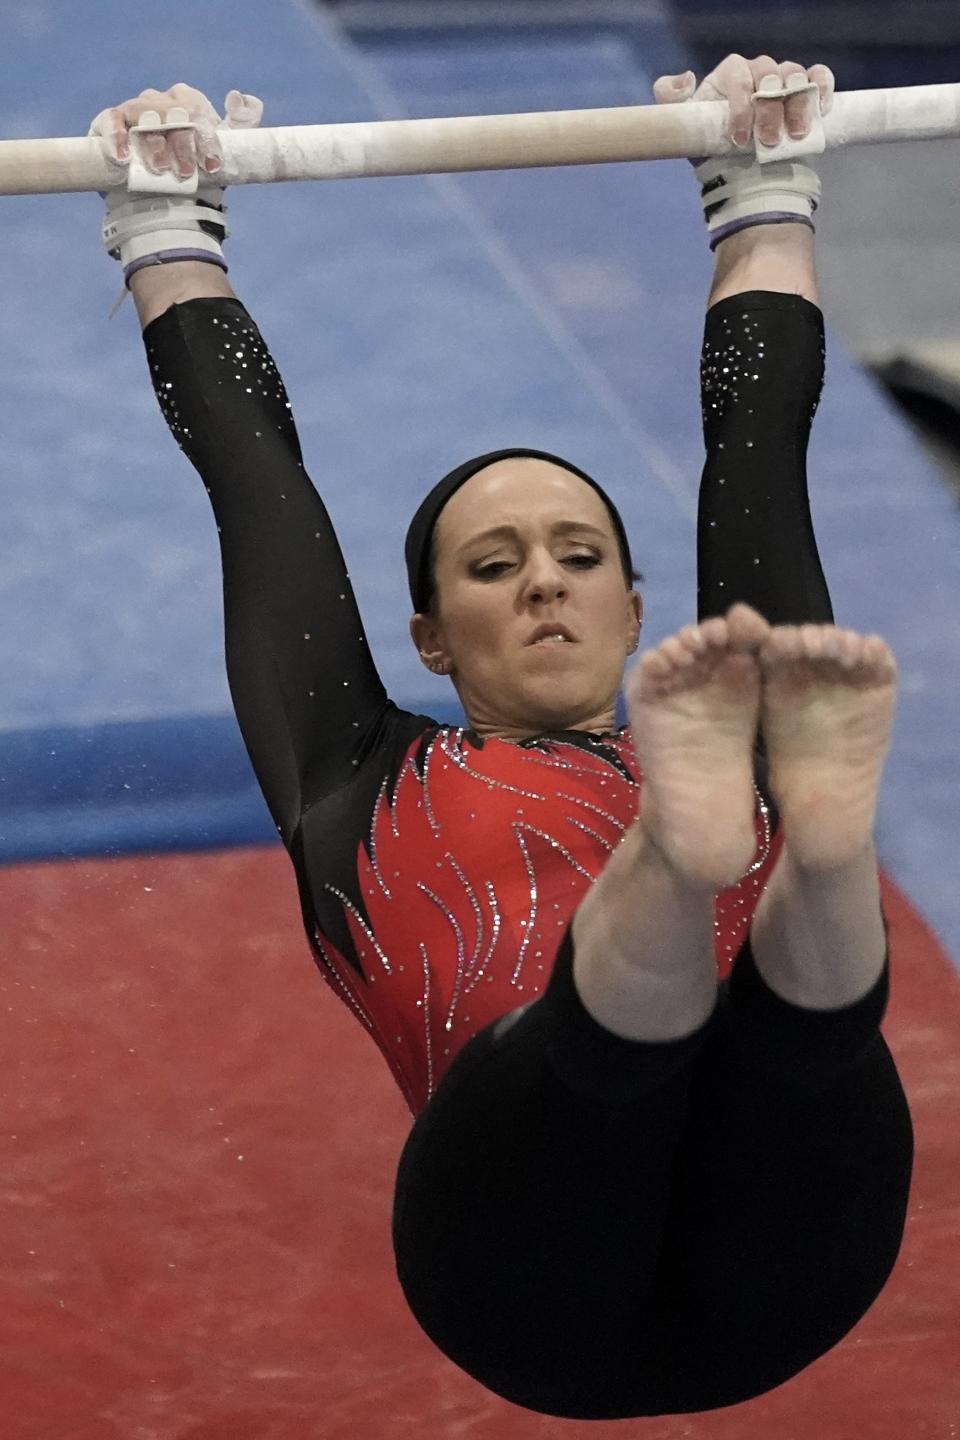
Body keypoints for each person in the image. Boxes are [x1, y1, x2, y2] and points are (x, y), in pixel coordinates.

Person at [90, 53, 913, 1420]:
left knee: (792, 1027)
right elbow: (258, 485)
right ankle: (728, 859)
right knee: (624, 1039)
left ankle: (815, 857)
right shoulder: (355, 769)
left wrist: (761, 179)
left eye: (579, 553)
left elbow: (758, 445)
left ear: (635, 604)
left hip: (794, 1233)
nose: (542, 577)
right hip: (519, 1265)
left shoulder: (734, 697)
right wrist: (166, 236)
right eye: (493, 565)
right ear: (427, 637)